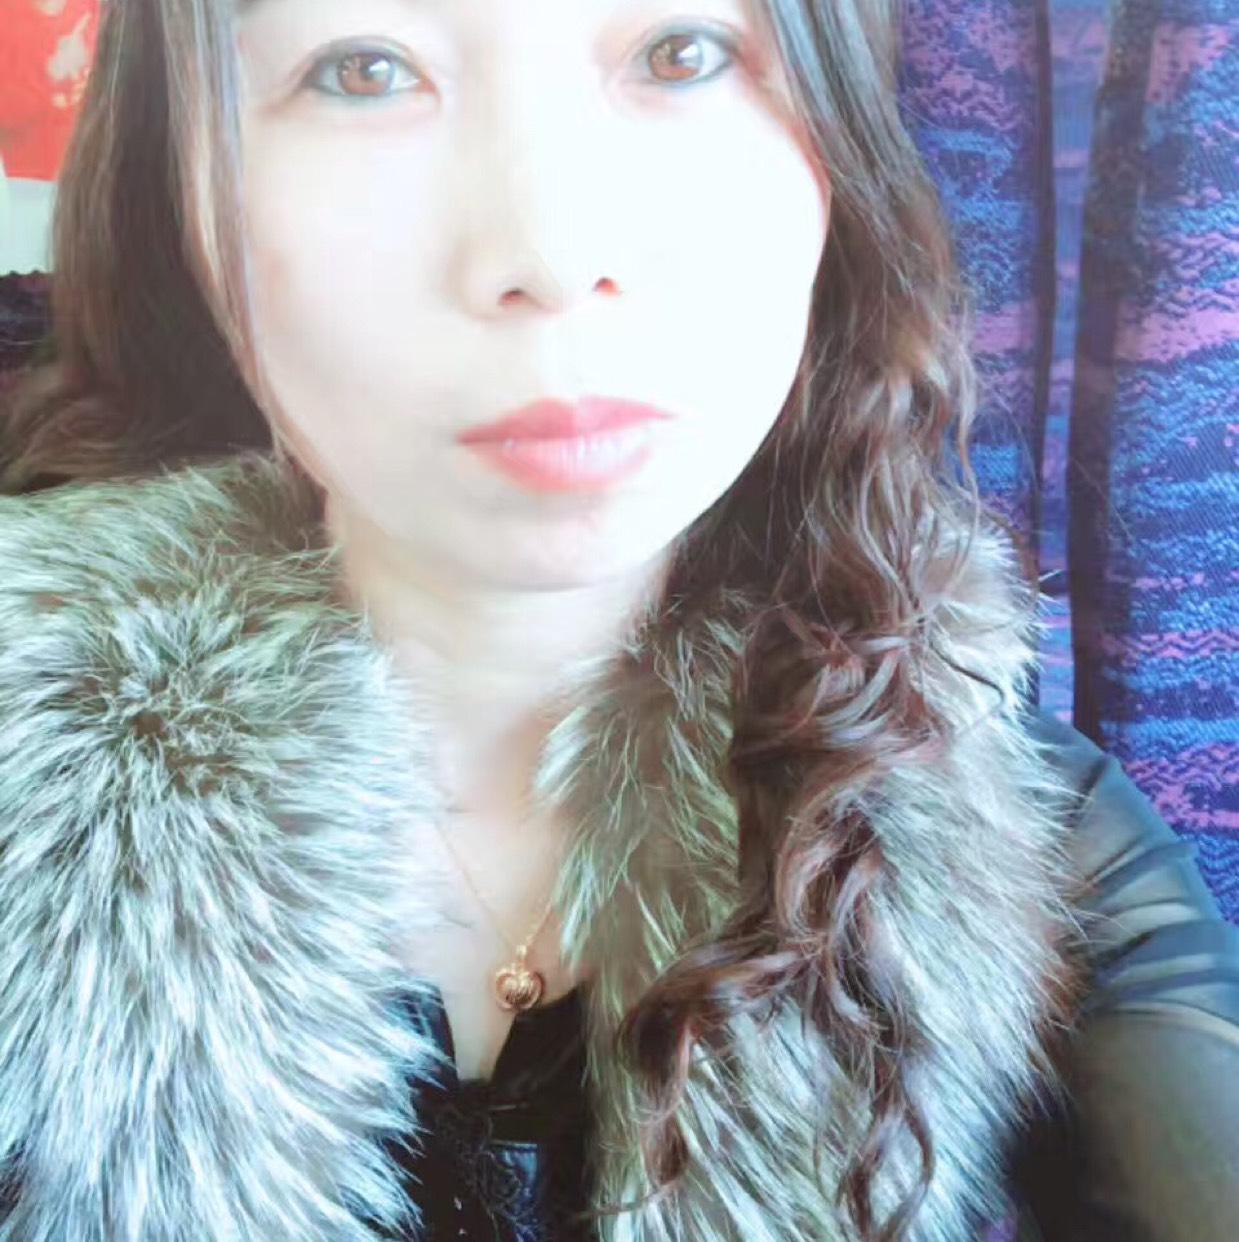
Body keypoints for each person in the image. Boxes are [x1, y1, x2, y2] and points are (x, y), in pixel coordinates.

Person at [0, 1, 1235, 1239]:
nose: (548, 245)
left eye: (681, 53)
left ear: (833, 164)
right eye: (364, 70)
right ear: (184, 196)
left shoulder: (1040, 850)